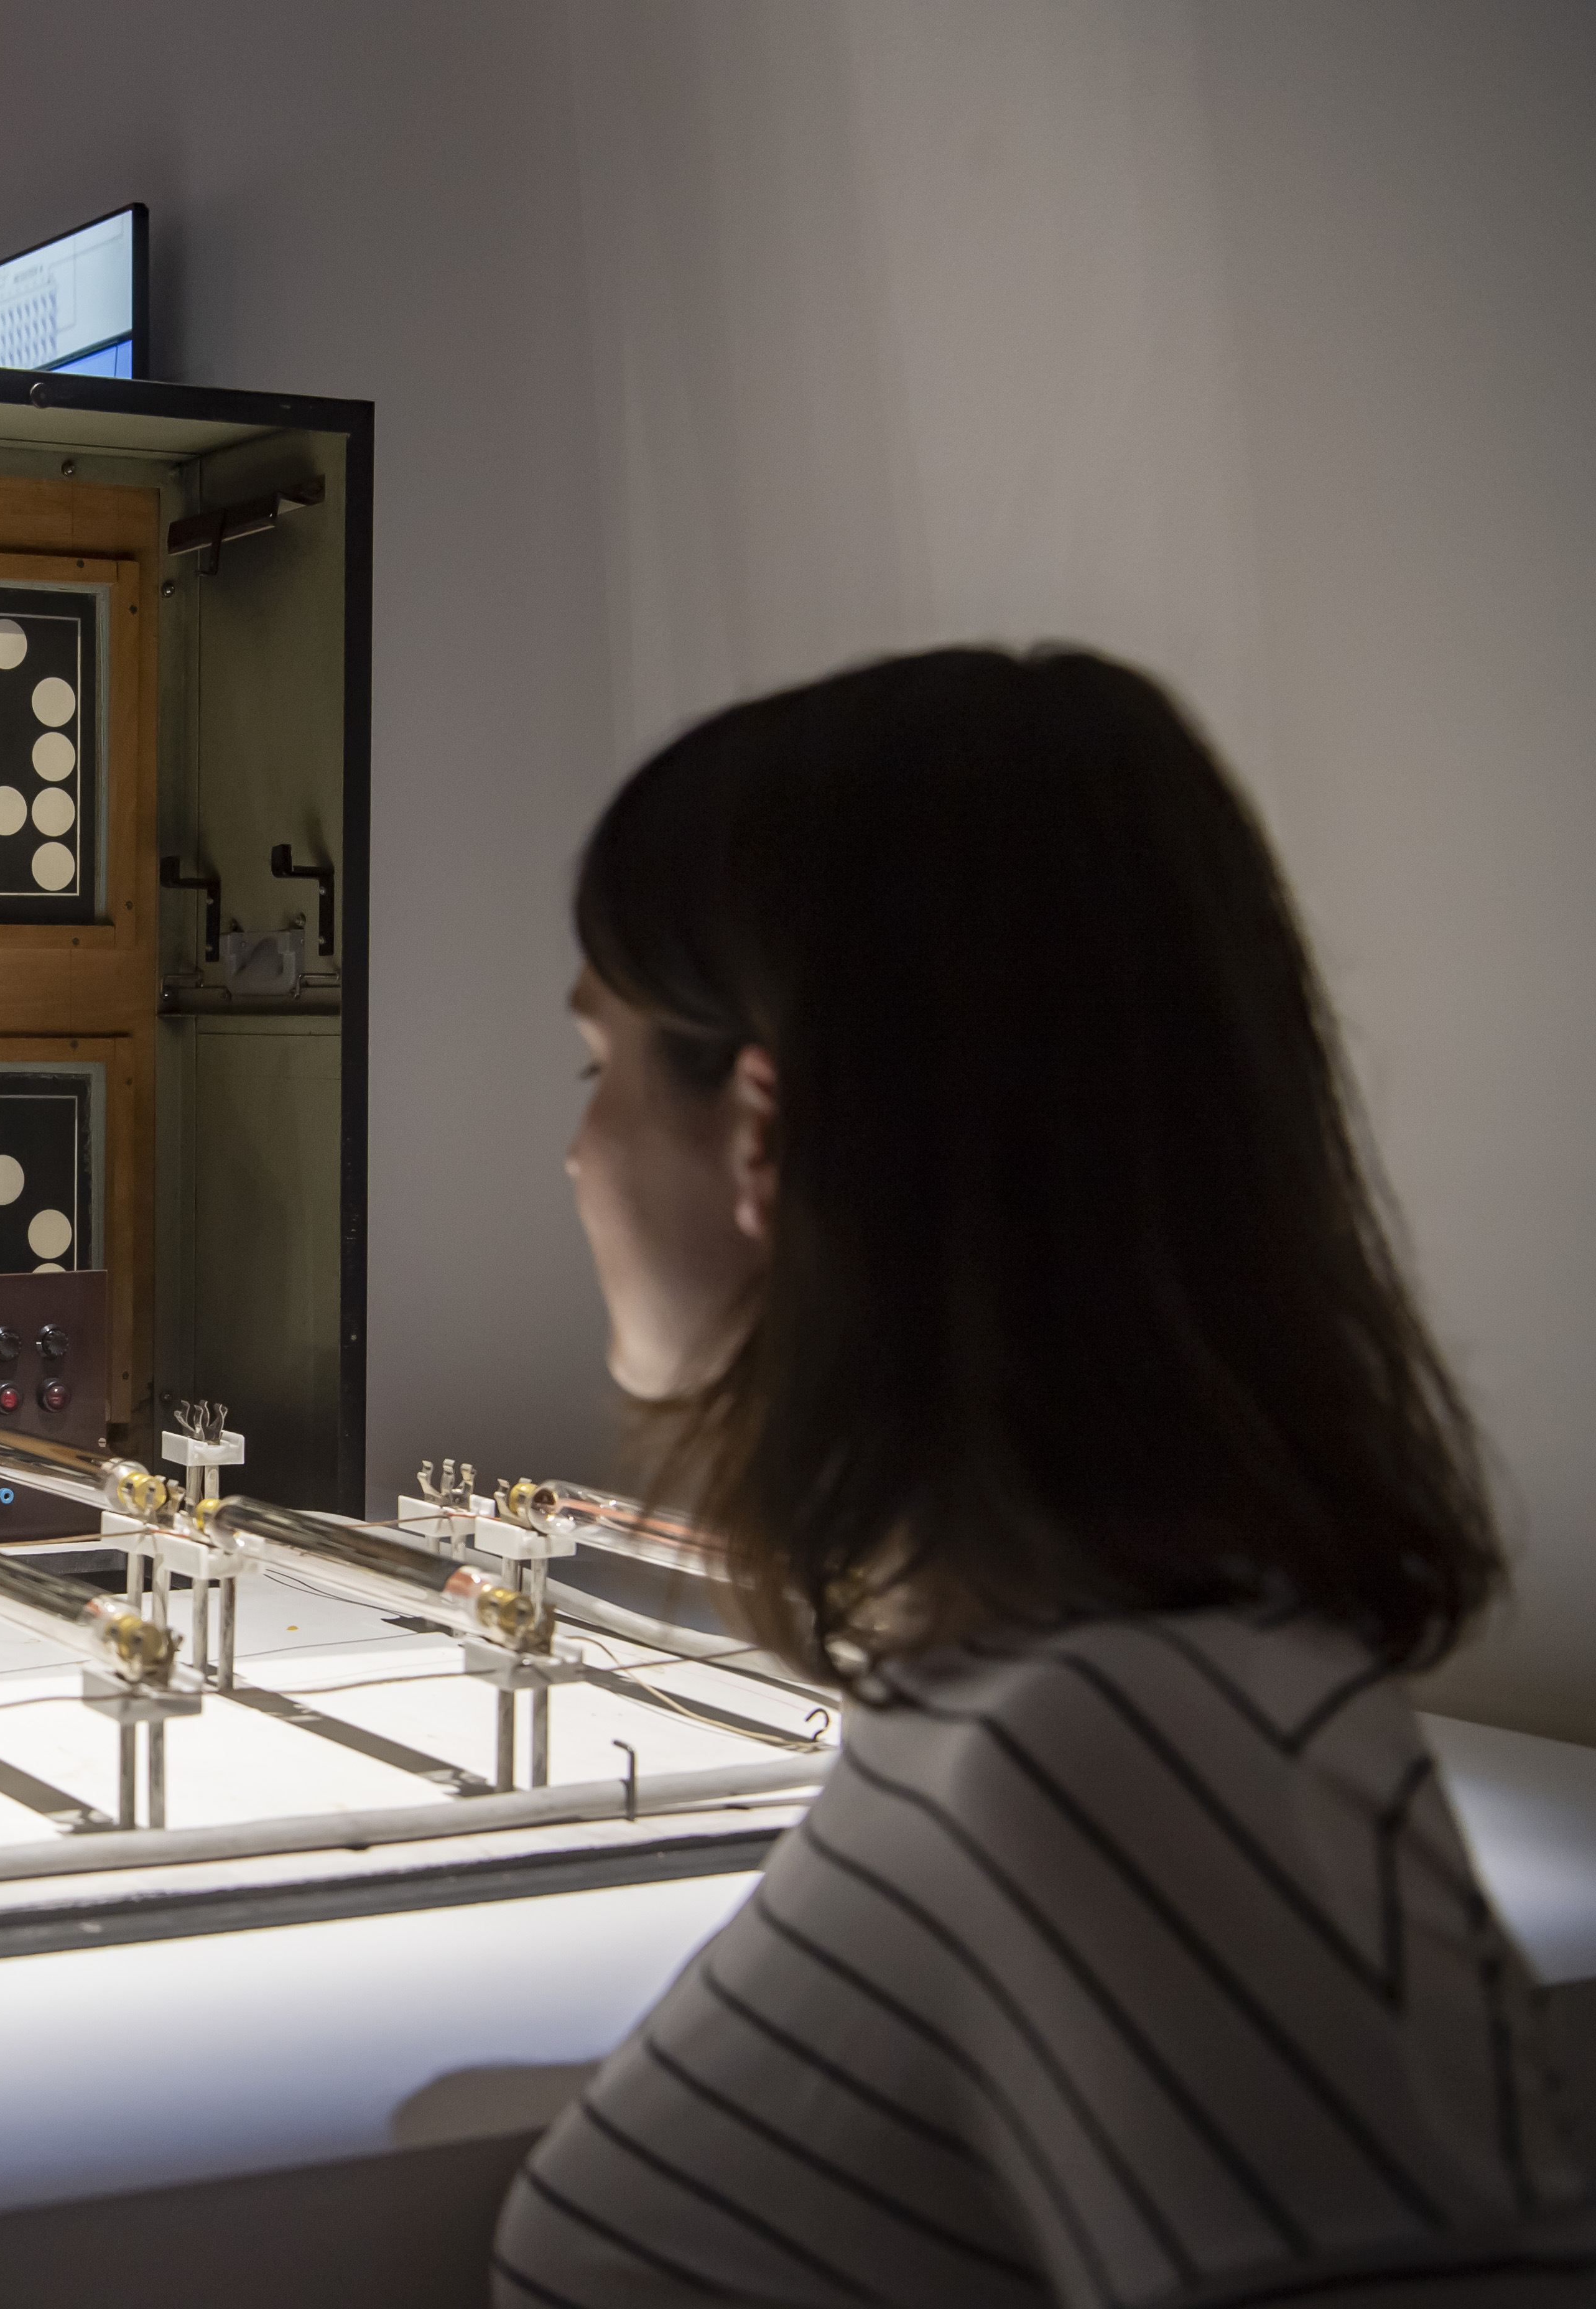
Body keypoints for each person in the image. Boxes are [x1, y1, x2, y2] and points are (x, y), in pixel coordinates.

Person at [492, 648, 1590, 2305]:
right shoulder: (1048, 1703)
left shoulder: (1126, 1749)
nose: (578, 1152)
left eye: (603, 1064)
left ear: (761, 1131)